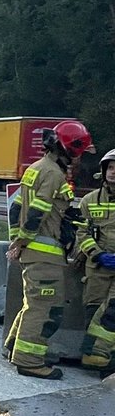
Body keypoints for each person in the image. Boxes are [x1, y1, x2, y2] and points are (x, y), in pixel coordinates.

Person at [6, 120, 94, 379]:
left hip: (33, 252)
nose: (78, 160)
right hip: (44, 253)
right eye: (78, 154)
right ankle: (30, 361)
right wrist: (21, 242)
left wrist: (18, 242)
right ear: (70, 149)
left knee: (32, 303)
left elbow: (16, 209)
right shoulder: (54, 174)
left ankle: (15, 346)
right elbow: (38, 211)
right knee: (47, 307)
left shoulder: (35, 168)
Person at [75, 147, 115, 375]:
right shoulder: (90, 200)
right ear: (103, 170)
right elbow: (81, 233)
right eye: (110, 168)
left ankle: (109, 363)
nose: (113, 172)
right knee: (93, 309)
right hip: (97, 266)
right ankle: (92, 357)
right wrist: (97, 254)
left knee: (112, 314)